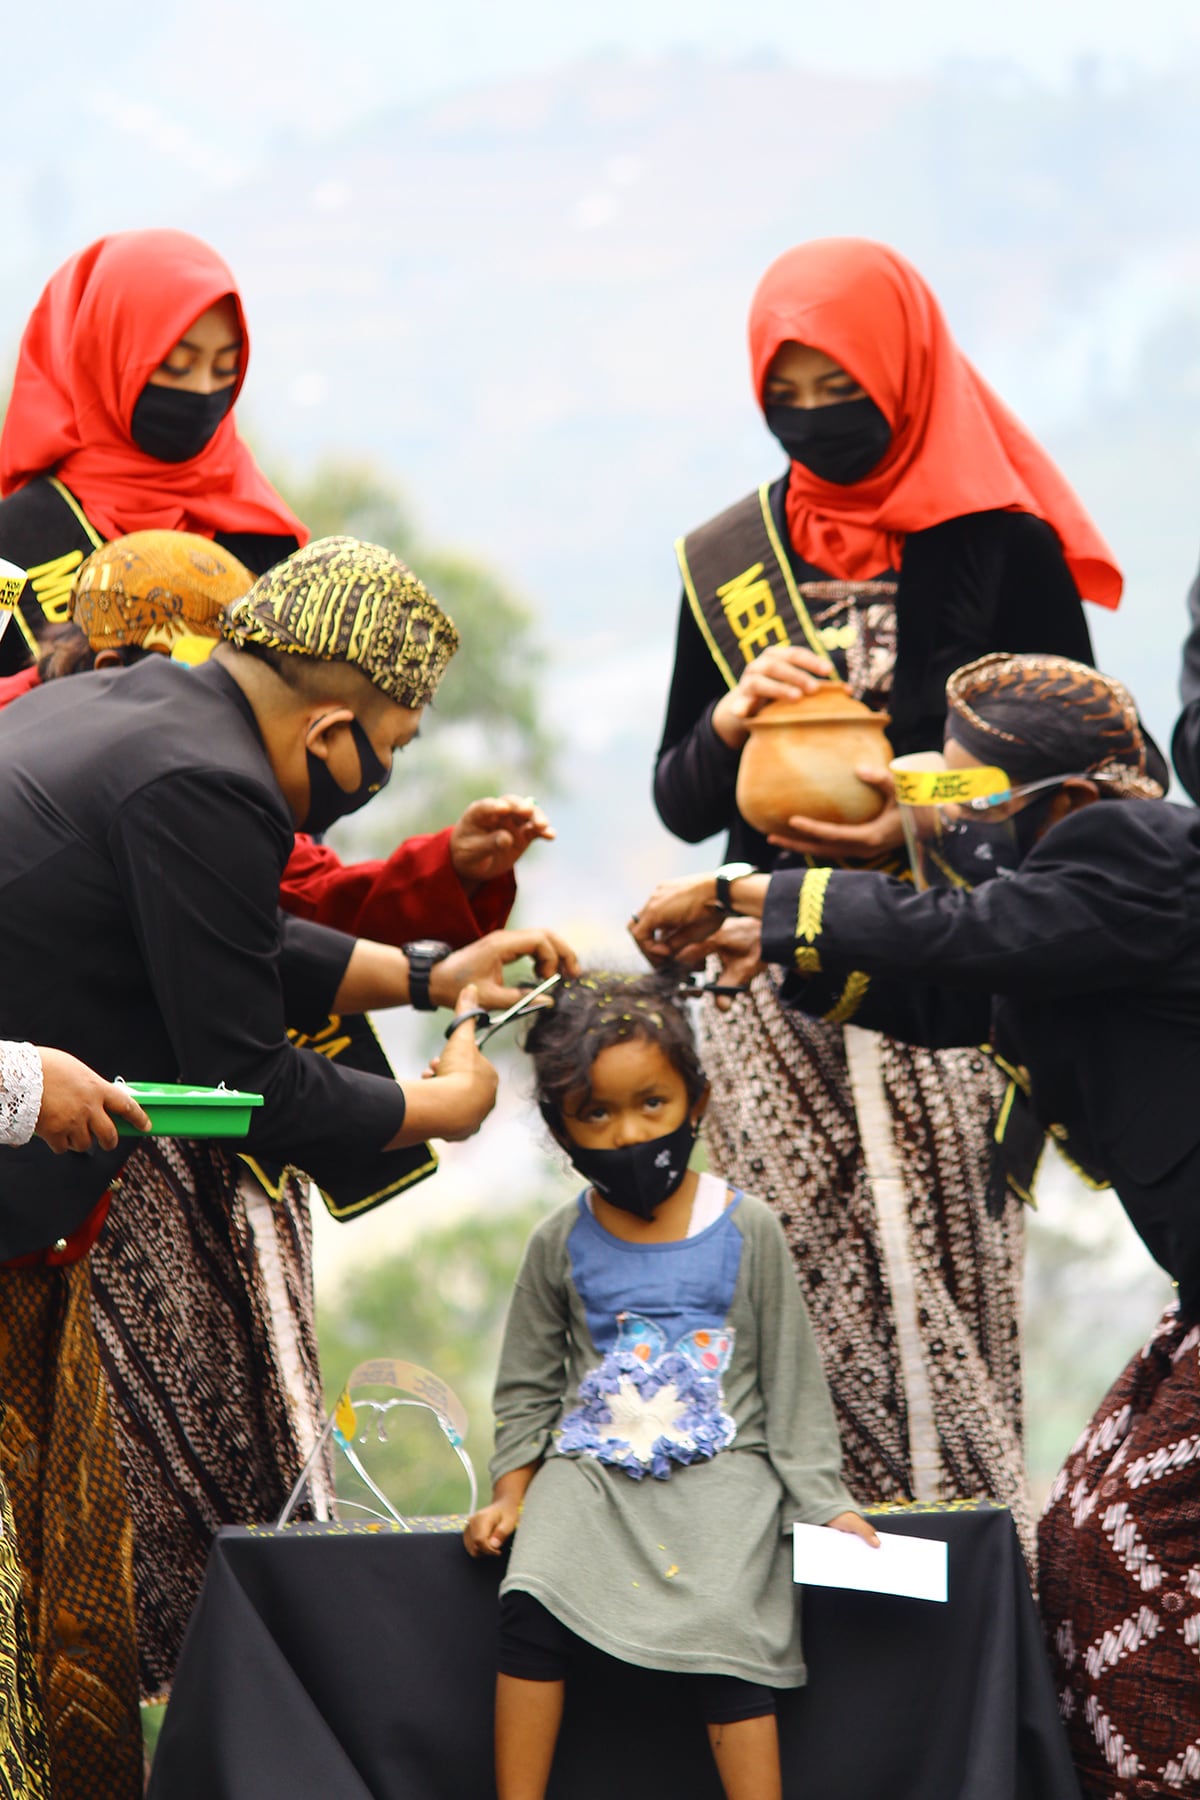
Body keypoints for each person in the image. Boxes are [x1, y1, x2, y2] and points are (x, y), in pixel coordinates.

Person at [0, 533, 573, 1800]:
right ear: (331, 730)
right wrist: (431, 1108)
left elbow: (236, 933)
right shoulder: (211, 779)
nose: (383, 772)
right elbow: (248, 1084)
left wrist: (431, 974)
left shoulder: (135, 704)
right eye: (392, 747)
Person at [632, 652, 1196, 1800]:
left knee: (1120, 1546)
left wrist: (746, 894)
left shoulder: (1132, 849)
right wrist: (773, 947)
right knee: (1077, 1533)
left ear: (1066, 800)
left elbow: (964, 938)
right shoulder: (1071, 919)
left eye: (963, 791)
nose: (942, 815)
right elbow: (962, 989)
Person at [653, 235, 1126, 1554]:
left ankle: (970, 1594)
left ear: (905, 375)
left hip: (949, 977)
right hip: (772, 986)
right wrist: (730, 722)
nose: (815, 418)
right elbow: (682, 799)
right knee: (800, 1298)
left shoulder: (1000, 545)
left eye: (842, 389)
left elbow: (1086, 772)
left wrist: (915, 802)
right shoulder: (729, 558)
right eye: (788, 393)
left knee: (945, 1296)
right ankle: (813, 1581)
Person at [463, 972, 876, 1800]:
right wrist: (513, 1492)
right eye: (596, 1114)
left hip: (725, 1476)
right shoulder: (556, 1242)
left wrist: (826, 1504)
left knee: (726, 1625)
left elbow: (792, 1383)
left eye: (652, 1103)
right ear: (561, 1127)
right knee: (531, 1595)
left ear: (697, 1101)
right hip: (591, 1476)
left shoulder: (750, 1228)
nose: (628, 1132)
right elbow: (529, 1387)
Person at [0, 227, 307, 676]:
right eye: (177, 366)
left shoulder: (261, 534)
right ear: (104, 356)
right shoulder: (15, 541)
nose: (203, 389)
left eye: (225, 367)